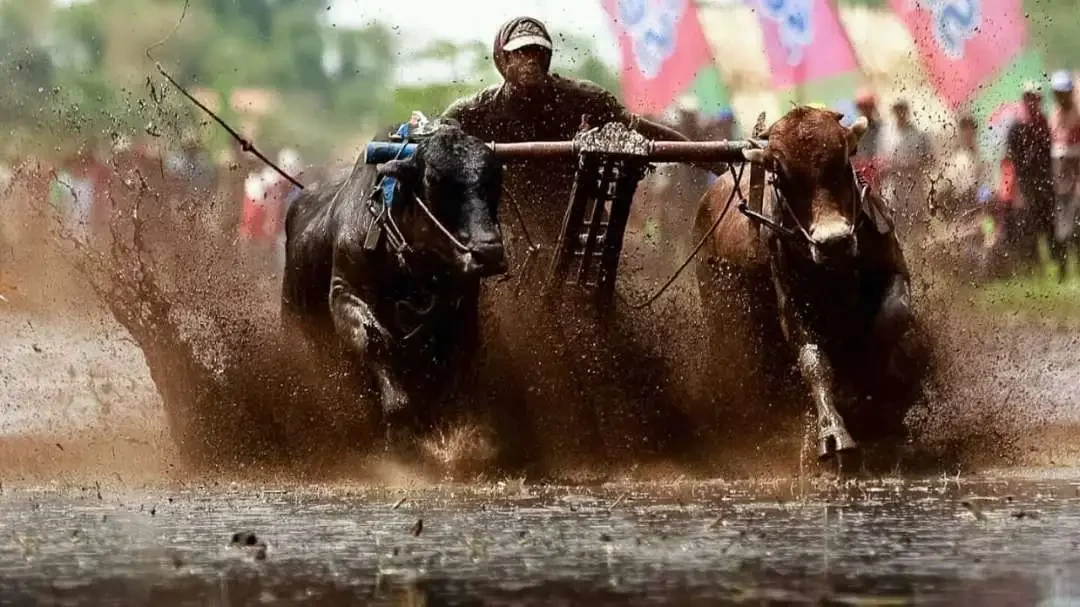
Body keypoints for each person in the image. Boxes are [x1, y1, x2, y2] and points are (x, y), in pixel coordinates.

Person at [441, 16, 696, 254]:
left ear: (548, 59)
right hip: (509, 223)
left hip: (578, 217)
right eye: (521, 53)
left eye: (537, 52)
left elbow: (638, 128)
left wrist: (710, 160)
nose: (530, 60)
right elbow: (435, 140)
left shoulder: (582, 99)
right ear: (504, 60)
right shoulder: (476, 111)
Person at [1003, 80, 1055, 272]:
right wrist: (1014, 188)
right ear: (1024, 100)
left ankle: (1057, 262)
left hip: (1045, 180)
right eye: (1028, 98)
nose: (1032, 102)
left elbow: (1050, 154)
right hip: (1025, 183)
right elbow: (1011, 159)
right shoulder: (1016, 127)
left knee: (1049, 221)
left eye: (1035, 98)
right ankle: (1033, 265)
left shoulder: (1045, 123)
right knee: (1028, 223)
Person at [881, 98, 933, 240]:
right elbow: (882, 159)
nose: (900, 114)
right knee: (895, 223)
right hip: (894, 186)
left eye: (902, 111)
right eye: (897, 111)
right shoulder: (886, 135)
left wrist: (911, 165)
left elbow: (928, 159)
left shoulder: (918, 135)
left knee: (916, 222)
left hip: (914, 186)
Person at [1050, 69, 1080, 278]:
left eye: (1065, 92)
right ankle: (1062, 269)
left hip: (1076, 171)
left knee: (1077, 219)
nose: (1061, 97)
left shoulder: (1077, 113)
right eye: (1058, 93)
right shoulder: (1054, 115)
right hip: (1060, 173)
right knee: (1061, 222)